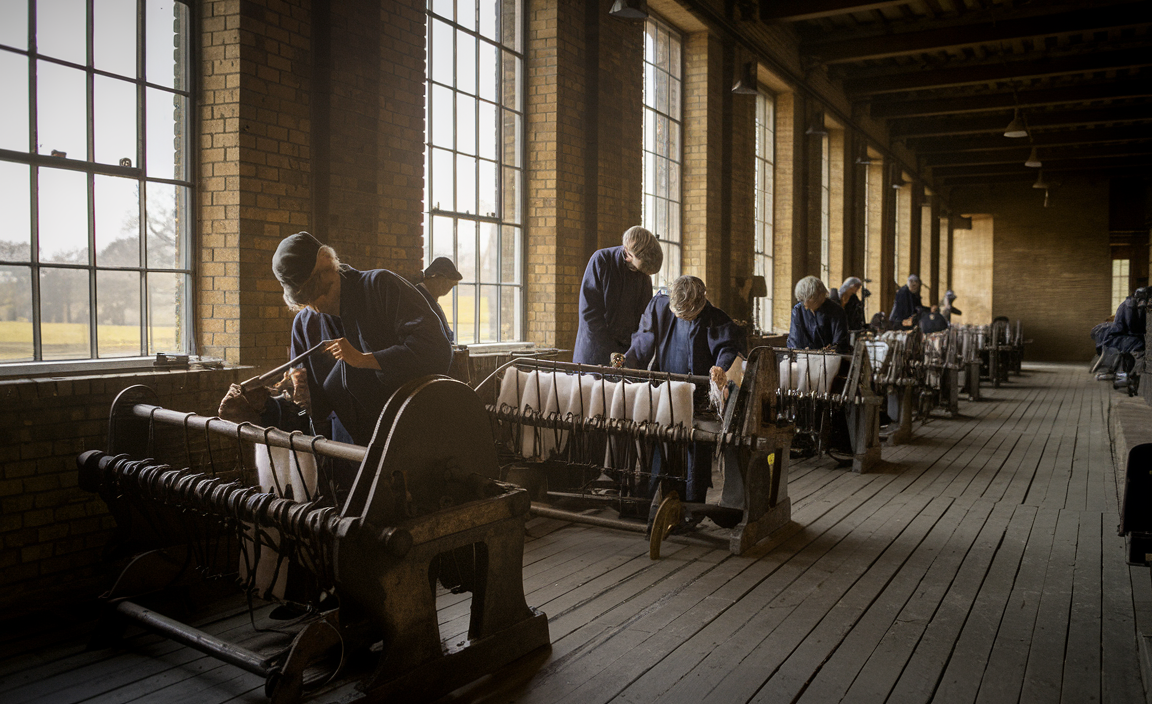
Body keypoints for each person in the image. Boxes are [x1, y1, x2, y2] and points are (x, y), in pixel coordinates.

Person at [221, 232, 453, 450]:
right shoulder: (305, 323)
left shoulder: (381, 286)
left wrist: (365, 360)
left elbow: (437, 350)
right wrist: (268, 405)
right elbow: (310, 414)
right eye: (307, 301)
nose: (318, 306)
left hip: (408, 438)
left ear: (328, 263)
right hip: (344, 449)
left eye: (322, 292)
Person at [624, 275, 745, 504]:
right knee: (662, 440)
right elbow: (642, 341)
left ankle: (692, 505)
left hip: (699, 397)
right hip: (667, 391)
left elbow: (727, 348)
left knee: (695, 447)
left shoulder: (716, 319)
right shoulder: (660, 306)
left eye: (689, 314)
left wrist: (720, 368)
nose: (682, 317)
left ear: (701, 301)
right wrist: (626, 365)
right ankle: (654, 499)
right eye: (679, 313)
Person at [573, 226, 663, 365]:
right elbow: (590, 315)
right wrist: (613, 353)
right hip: (595, 352)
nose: (641, 274)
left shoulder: (643, 275)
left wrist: (632, 353)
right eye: (639, 268)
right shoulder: (601, 261)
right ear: (628, 255)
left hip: (625, 354)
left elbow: (643, 318)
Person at [787, 276, 850, 353]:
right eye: (803, 301)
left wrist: (832, 349)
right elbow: (794, 340)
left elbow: (840, 341)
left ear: (820, 295)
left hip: (830, 359)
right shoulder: (798, 310)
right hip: (804, 357)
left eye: (808, 300)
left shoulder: (836, 311)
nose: (805, 305)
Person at [415, 256, 463, 342]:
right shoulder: (419, 299)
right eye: (448, 284)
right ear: (438, 279)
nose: (448, 289)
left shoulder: (431, 300)